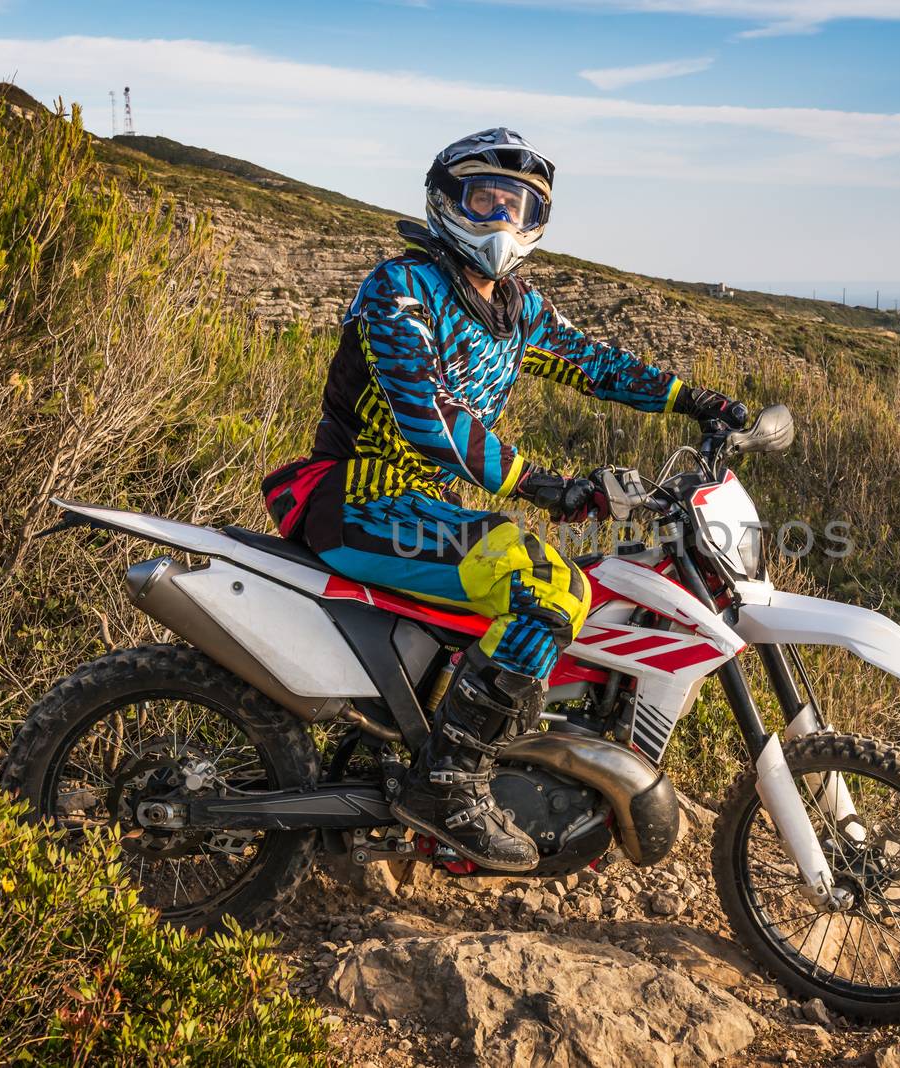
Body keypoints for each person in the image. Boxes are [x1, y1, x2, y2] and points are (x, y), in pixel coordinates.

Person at [266, 128, 744, 871]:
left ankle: (492, 754)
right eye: (484, 200)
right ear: (445, 201)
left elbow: (597, 365)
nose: (500, 221)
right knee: (545, 584)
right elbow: (431, 420)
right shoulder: (401, 288)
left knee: (568, 582)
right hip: (359, 499)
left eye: (516, 206)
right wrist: (544, 485)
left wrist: (697, 400)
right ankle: (448, 784)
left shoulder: (517, 308)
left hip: (418, 510)